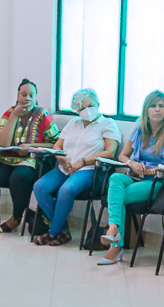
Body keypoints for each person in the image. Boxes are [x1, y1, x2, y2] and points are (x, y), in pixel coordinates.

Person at [96, 91, 164, 267]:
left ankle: (115, 243)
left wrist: (153, 171)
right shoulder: (139, 128)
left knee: (117, 197)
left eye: (161, 106)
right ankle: (114, 228)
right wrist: (132, 163)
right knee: (115, 177)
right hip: (136, 175)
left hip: (157, 182)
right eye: (153, 106)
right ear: (146, 110)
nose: (157, 109)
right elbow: (122, 155)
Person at [30, 89, 119, 246]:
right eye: (82, 108)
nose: (87, 111)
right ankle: (63, 230)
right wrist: (62, 159)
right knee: (39, 187)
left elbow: (110, 152)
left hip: (89, 170)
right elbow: (58, 145)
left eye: (90, 105)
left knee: (66, 190)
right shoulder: (73, 123)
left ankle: (52, 233)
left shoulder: (108, 124)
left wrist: (83, 162)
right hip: (66, 168)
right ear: (77, 110)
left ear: (98, 104)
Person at [0, 80, 57, 233]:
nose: (27, 98)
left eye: (31, 95)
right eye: (24, 94)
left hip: (32, 161)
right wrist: (14, 116)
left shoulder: (43, 114)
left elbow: (55, 144)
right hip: (6, 159)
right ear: (18, 96)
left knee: (19, 177)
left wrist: (29, 147)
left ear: (36, 97)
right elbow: (1, 143)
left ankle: (16, 217)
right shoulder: (9, 112)